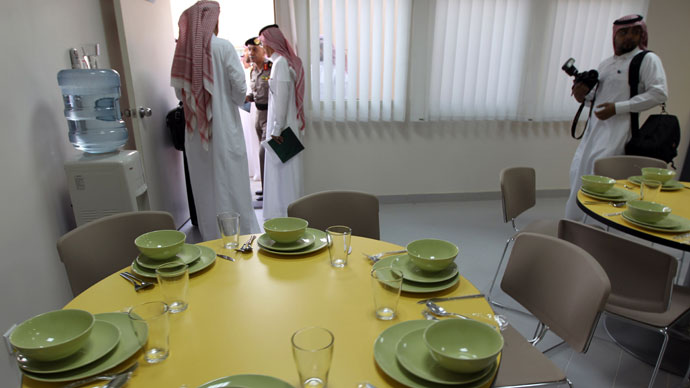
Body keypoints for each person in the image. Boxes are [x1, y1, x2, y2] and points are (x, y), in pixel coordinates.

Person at [565, 14, 668, 221]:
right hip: (592, 135)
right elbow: (597, 100)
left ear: (641, 34)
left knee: (603, 183)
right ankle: (574, 226)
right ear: (615, 36)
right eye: (623, 32)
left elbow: (659, 93)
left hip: (618, 136)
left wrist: (618, 108)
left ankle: (598, 230)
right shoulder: (606, 64)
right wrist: (582, 96)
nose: (629, 36)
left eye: (635, 32)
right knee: (578, 176)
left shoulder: (647, 60)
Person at [171, 1, 260, 239]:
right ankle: (242, 239)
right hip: (224, 129)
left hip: (195, 133)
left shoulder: (182, 53)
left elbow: (179, 93)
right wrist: (223, 100)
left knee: (205, 186)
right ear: (213, 21)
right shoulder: (222, 47)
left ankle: (212, 241)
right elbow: (239, 89)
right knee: (231, 182)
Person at [258, 24, 305, 220]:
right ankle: (280, 213)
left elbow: (283, 99)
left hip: (282, 128)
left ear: (271, 43)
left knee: (284, 171)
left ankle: (287, 214)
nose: (262, 48)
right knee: (280, 171)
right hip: (280, 124)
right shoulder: (279, 63)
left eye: (263, 43)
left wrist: (276, 130)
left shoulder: (281, 64)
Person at [245, 37, 272, 200]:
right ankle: (265, 187)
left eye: (254, 49)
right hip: (258, 114)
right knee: (261, 152)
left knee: (264, 152)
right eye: (249, 49)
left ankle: (269, 188)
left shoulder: (271, 68)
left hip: (270, 114)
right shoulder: (253, 70)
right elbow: (254, 92)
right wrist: (248, 96)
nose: (251, 53)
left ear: (263, 50)